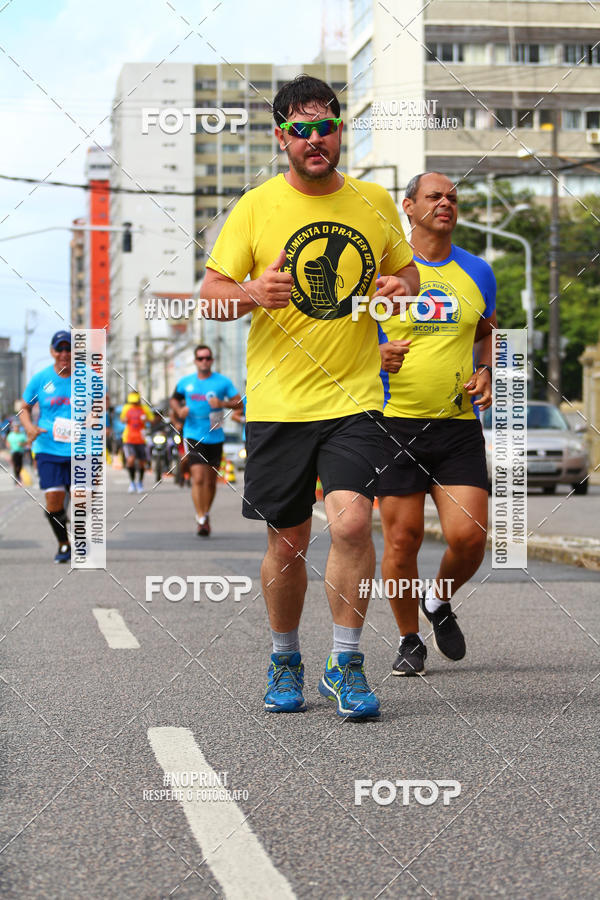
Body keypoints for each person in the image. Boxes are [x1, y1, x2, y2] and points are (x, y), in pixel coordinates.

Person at [200, 75, 419, 717]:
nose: (314, 139)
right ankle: (285, 658)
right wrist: (249, 294)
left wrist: (401, 286)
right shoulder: (254, 207)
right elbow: (210, 297)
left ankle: (345, 662)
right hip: (279, 404)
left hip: (355, 398)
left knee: (350, 522)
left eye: (324, 126)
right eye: (301, 130)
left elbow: (405, 271)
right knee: (288, 541)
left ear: (340, 131)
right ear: (282, 137)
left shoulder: (374, 201)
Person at [378, 172, 496, 676]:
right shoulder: (381, 271)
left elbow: (487, 332)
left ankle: (437, 599)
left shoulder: (478, 270)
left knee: (470, 537)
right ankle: (408, 638)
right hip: (393, 425)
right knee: (402, 540)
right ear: (408, 206)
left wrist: (486, 369)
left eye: (452, 197)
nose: (445, 203)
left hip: (456, 425)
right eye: (434, 196)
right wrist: (376, 357)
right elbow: (345, 342)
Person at [170, 345, 241, 536]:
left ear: (212, 360)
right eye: (200, 358)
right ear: (195, 361)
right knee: (199, 478)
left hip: (215, 434)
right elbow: (174, 400)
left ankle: (206, 513)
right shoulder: (186, 382)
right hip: (193, 433)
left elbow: (239, 403)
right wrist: (179, 410)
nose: (204, 361)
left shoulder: (222, 382)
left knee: (210, 482)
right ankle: (200, 518)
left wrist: (222, 403)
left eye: (207, 358)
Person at [20, 331, 74, 563]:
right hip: (48, 448)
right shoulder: (41, 378)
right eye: (59, 349)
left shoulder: (88, 378)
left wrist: (95, 417)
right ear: (52, 351)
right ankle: (64, 544)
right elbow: (24, 408)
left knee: (83, 498)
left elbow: (102, 402)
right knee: (53, 501)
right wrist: (29, 427)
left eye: (68, 349)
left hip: (81, 448)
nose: (64, 353)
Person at [120, 392, 154, 492]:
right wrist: (125, 420)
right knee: (131, 460)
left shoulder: (145, 408)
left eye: (135, 401)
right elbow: (122, 419)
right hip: (129, 438)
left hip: (141, 438)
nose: (134, 403)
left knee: (142, 463)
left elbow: (152, 419)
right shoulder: (126, 408)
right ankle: (132, 482)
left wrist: (146, 420)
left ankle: (140, 483)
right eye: (132, 402)